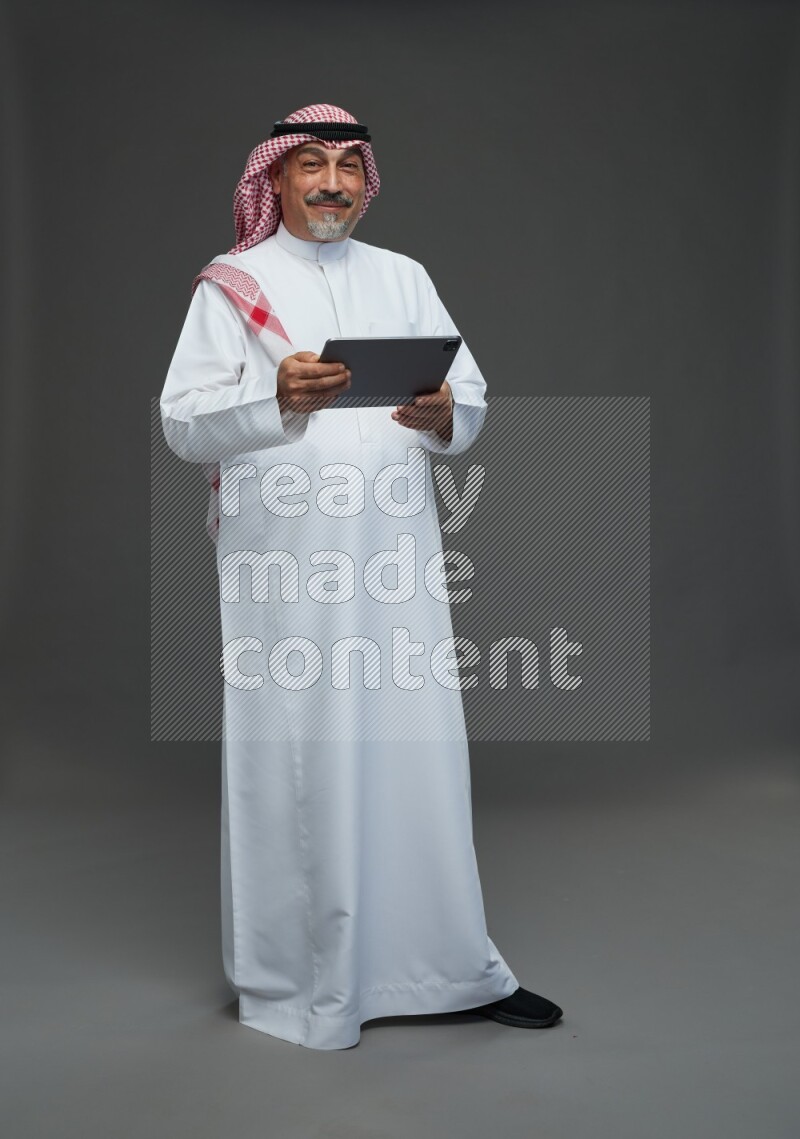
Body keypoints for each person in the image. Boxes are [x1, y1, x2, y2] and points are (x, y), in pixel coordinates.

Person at [159, 103, 563, 1049]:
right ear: (278, 178)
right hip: (285, 565)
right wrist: (274, 397)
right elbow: (184, 424)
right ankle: (308, 981)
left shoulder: (405, 276)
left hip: (397, 557)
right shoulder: (234, 285)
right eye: (311, 164)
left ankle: (451, 966)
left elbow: (470, 396)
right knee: (306, 753)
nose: (333, 182)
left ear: (365, 178)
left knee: (415, 749)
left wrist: (441, 413)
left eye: (348, 164)